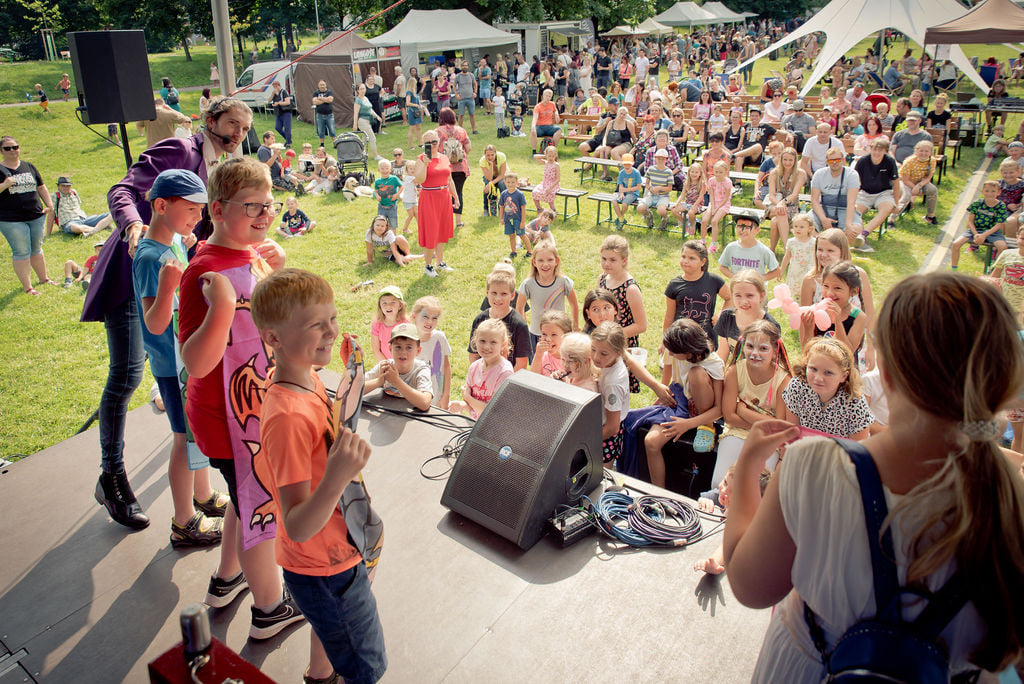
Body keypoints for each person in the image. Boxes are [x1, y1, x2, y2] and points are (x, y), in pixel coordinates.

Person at [725, 273, 1024, 681]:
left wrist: (747, 468)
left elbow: (749, 586)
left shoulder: (813, 466)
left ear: (886, 368)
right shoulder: (1012, 500)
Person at [177, 157, 303, 639]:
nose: (265, 215)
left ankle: (228, 578)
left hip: (254, 409)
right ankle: (270, 609)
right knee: (260, 510)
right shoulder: (202, 272)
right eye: (251, 206)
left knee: (242, 496)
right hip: (227, 419)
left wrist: (276, 271)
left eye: (269, 205)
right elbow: (196, 362)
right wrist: (223, 307)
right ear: (217, 209)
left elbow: (267, 321)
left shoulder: (250, 253)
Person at [249, 269, 387, 684]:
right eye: (316, 324)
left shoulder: (305, 377)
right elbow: (295, 524)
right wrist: (337, 477)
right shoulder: (286, 417)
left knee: (340, 645)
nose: (331, 331)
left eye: (333, 318)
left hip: (337, 555)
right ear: (274, 339)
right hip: (324, 570)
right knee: (366, 667)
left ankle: (321, 676)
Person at [131, 169, 227, 548]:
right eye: (190, 210)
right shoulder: (148, 256)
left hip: (187, 360)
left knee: (196, 435)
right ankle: (184, 520)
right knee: (181, 439)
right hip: (172, 367)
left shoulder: (169, 244)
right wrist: (170, 284)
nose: (197, 219)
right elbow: (154, 324)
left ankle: (202, 495)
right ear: (160, 205)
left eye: (200, 211)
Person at [712, 319, 791, 486]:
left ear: (775, 350)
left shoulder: (784, 380)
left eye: (763, 348)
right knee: (720, 482)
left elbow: (779, 426)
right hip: (736, 432)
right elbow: (729, 417)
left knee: (754, 486)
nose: (755, 353)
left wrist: (743, 411)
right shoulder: (734, 371)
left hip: (768, 439)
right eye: (750, 346)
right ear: (743, 345)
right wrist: (761, 422)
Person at [0, 135, 56, 295]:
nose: (12, 150)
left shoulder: (28, 166)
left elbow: (41, 187)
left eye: (15, 147)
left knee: (37, 248)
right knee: (21, 251)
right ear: (1, 151)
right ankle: (28, 287)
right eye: (7, 148)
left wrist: (49, 205)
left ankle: (44, 279)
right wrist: (4, 185)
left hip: (35, 215)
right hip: (11, 219)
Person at [411, 129, 458, 278]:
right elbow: (419, 179)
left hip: (444, 197)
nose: (431, 145)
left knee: (442, 230)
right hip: (429, 197)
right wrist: (425, 164)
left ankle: (440, 262)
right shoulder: (420, 159)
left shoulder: (444, 158)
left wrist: (455, 197)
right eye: (428, 143)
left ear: (439, 142)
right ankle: (428, 265)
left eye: (434, 142)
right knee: (431, 231)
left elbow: (449, 179)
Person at [516, 240, 579, 348]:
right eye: (540, 260)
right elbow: (519, 307)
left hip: (560, 333)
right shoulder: (528, 284)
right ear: (534, 262)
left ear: (557, 261)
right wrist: (524, 327)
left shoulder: (563, 281)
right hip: (537, 333)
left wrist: (575, 326)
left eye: (550, 260)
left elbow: (574, 304)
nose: (545, 264)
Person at [450, 318, 515, 418]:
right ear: (475, 341)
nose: (487, 346)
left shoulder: (505, 372)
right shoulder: (474, 367)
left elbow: (491, 412)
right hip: (474, 424)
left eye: (493, 342)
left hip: (493, 428)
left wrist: (468, 398)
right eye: (482, 341)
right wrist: (462, 405)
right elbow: (472, 405)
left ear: (503, 344)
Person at [364, 322, 434, 411]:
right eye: (398, 347)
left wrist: (396, 381)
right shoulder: (386, 367)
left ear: (418, 350)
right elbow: (354, 389)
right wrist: (378, 382)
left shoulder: (421, 369)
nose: (403, 352)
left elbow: (425, 403)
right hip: (387, 414)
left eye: (409, 347)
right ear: (390, 349)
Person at [469, 270, 531, 371]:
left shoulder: (519, 324)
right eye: (494, 293)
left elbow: (522, 363)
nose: (498, 298)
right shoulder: (480, 319)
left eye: (503, 294)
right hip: (484, 377)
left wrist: (505, 382)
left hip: (507, 378)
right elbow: (473, 354)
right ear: (487, 293)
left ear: (512, 295)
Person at [951, 179, 1008, 269]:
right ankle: (954, 268)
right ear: (982, 191)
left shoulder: (1001, 206)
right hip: (975, 230)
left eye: (993, 191)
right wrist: (976, 234)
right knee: (956, 244)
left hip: (993, 232)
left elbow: (999, 225)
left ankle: (994, 269)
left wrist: (984, 235)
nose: (990, 193)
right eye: (987, 191)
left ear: (999, 192)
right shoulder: (977, 203)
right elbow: (970, 221)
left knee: (1003, 247)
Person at [411, 296, 452, 409]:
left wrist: (446, 396)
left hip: (436, 397)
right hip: (414, 397)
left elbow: (446, 367)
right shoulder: (408, 340)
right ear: (414, 316)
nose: (430, 321)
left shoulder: (440, 338)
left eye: (435, 318)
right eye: (425, 316)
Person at [435, 107, 471, 228]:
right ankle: (458, 221)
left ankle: (444, 221)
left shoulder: (437, 132)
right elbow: (468, 148)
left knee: (444, 193)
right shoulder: (461, 130)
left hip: (443, 167)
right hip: (461, 167)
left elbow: (430, 149)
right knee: (458, 192)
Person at [810, 147, 860, 233]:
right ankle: (820, 243)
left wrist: (848, 225)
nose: (834, 162)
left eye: (837, 160)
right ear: (827, 162)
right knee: (807, 227)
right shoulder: (819, 174)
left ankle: (842, 243)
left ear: (843, 160)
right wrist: (823, 219)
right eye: (831, 160)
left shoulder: (852, 174)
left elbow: (851, 203)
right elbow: (814, 200)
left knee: (854, 230)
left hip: (844, 209)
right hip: (823, 208)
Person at [46, 175, 113, 236]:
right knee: (77, 228)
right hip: (69, 222)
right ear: (58, 186)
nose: (66, 188)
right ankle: (101, 227)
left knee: (112, 214)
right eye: (63, 186)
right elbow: (51, 214)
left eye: (68, 186)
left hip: (84, 219)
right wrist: (48, 233)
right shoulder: (54, 196)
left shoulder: (74, 192)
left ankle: (93, 229)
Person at [894, 139, 938, 225]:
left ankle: (930, 216)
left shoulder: (932, 160)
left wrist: (919, 186)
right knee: (906, 195)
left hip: (920, 182)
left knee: (933, 190)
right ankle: (892, 218)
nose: (923, 153)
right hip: (905, 181)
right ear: (916, 151)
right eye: (921, 151)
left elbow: (928, 177)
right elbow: (905, 179)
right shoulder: (909, 161)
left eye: (926, 151)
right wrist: (914, 188)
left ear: (931, 152)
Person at [779, 213, 816, 301]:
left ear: (809, 229)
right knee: (794, 293)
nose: (798, 229)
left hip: (808, 271)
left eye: (801, 227)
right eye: (795, 226)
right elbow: (787, 256)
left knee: (807, 291)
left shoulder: (814, 242)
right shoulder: (791, 242)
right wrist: (781, 270)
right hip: (795, 272)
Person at [369, 284, 408, 363]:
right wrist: (386, 366)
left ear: (400, 305)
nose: (388, 306)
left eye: (393, 302)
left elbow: (408, 349)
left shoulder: (405, 325)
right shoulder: (377, 324)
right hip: (384, 364)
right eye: (384, 303)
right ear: (380, 305)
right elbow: (376, 350)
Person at [498, 171, 530, 258]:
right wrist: (501, 218)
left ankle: (529, 251)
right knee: (511, 236)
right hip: (508, 220)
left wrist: (522, 222)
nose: (510, 184)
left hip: (518, 220)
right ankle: (513, 251)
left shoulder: (519, 194)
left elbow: (523, 208)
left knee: (522, 235)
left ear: (516, 182)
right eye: (508, 182)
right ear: (504, 182)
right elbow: (501, 207)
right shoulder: (503, 194)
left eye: (513, 182)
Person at [529, 87, 562, 153]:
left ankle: (553, 149)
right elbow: (535, 118)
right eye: (547, 96)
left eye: (550, 96)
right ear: (543, 96)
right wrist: (533, 127)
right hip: (540, 127)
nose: (548, 98)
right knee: (533, 131)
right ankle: (534, 151)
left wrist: (556, 114)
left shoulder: (552, 104)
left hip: (549, 126)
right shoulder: (538, 106)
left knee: (558, 130)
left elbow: (555, 111)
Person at [373, 159, 402, 230]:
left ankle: (393, 239)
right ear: (379, 170)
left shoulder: (394, 179)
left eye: (387, 168)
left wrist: (397, 194)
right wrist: (377, 195)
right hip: (381, 207)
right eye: (382, 168)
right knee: (381, 225)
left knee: (393, 225)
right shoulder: (377, 181)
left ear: (390, 169)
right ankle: (383, 239)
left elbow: (401, 186)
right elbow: (376, 191)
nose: (385, 170)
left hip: (392, 206)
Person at [531, 145, 561, 215]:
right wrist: (545, 155)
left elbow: (558, 179)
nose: (551, 158)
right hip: (544, 183)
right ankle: (539, 209)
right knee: (534, 192)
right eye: (549, 156)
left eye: (553, 156)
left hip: (553, 184)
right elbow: (535, 157)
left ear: (555, 156)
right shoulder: (545, 162)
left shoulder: (556, 165)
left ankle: (553, 211)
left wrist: (550, 187)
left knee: (548, 194)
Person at [453, 61, 478, 134]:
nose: (465, 67)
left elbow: (475, 84)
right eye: (463, 66)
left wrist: (475, 92)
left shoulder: (471, 75)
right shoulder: (458, 76)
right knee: (461, 115)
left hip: (470, 98)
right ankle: (460, 131)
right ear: (461, 67)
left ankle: (474, 129)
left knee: (472, 114)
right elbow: (454, 85)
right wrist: (456, 94)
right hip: (462, 99)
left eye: (466, 65)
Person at [312, 80, 335, 147]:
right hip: (320, 115)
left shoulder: (329, 92)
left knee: (332, 130)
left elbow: (330, 100)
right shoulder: (316, 93)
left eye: (323, 84)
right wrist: (325, 100)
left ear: (326, 85)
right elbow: (314, 102)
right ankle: (322, 144)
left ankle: (334, 143)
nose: (322, 86)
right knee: (320, 130)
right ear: (318, 86)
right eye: (320, 85)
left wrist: (320, 98)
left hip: (329, 115)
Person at [270, 81, 293, 147]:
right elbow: (269, 100)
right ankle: (288, 139)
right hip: (279, 113)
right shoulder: (275, 94)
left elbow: (287, 102)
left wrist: (278, 103)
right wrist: (272, 94)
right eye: (273, 87)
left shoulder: (284, 92)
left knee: (287, 128)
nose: (274, 88)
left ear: (279, 86)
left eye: (275, 86)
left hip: (286, 112)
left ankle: (288, 143)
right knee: (277, 127)